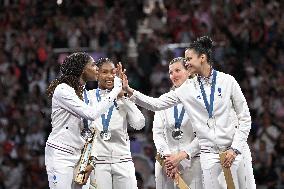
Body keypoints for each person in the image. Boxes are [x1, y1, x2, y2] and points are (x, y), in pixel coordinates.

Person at [122, 36, 256, 189]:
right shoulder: (187, 89)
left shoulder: (228, 81)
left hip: (235, 150)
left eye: (189, 59)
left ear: (202, 58)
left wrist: (236, 148)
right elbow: (156, 104)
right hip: (209, 155)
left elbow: (244, 118)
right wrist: (130, 91)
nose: (186, 62)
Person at [45, 52, 122, 189]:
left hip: (80, 155)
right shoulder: (63, 90)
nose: (96, 68)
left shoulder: (82, 92)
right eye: (92, 65)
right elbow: (91, 114)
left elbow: (92, 129)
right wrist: (115, 91)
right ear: (82, 69)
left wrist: (90, 160)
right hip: (61, 154)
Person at [87, 58, 145, 189]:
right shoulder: (88, 97)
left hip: (123, 159)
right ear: (97, 74)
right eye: (104, 72)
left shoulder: (122, 98)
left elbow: (139, 124)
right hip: (98, 161)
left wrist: (124, 97)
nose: (109, 76)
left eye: (113, 72)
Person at [153, 57, 203, 189]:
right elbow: (157, 133)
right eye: (170, 72)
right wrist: (169, 159)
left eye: (177, 70)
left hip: (193, 162)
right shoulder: (163, 100)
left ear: (188, 72)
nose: (173, 75)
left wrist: (182, 155)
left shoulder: (200, 99)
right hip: (166, 164)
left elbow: (204, 134)